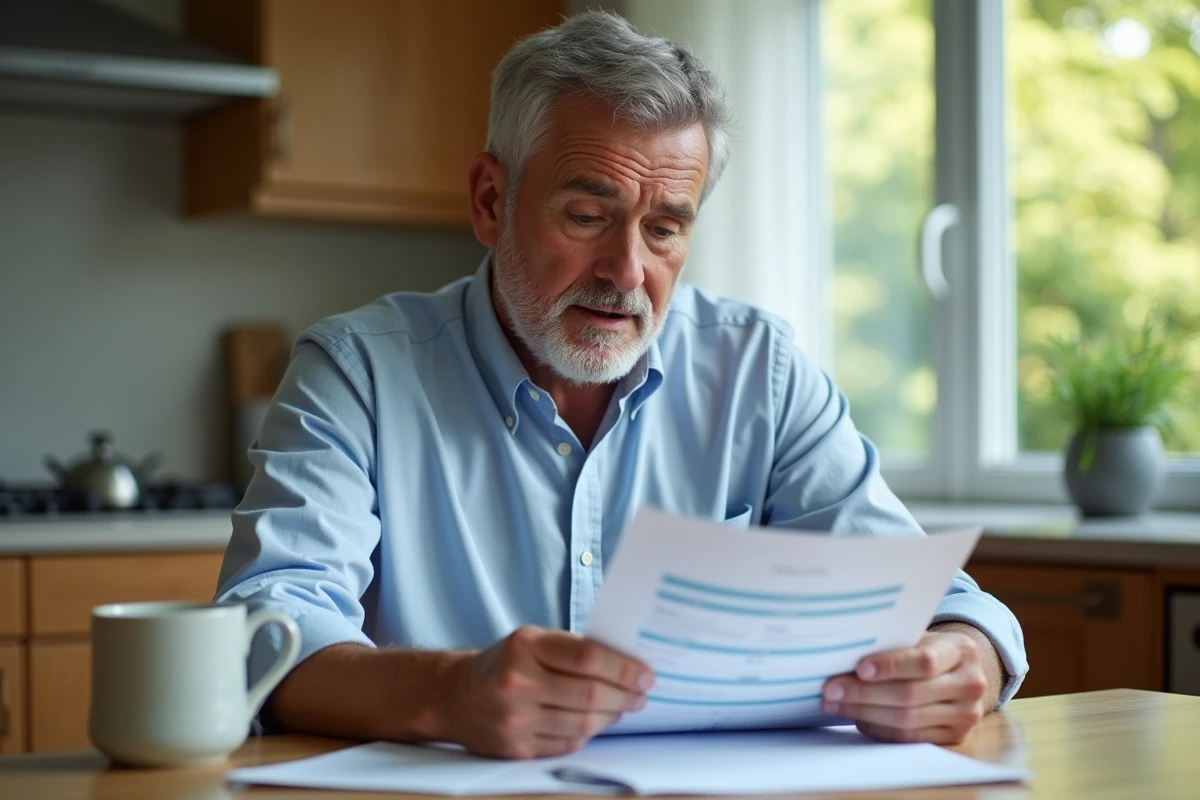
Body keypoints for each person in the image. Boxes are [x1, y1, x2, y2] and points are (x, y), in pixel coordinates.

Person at [215, 11, 1027, 760]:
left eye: (664, 228)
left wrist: (965, 658)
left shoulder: (760, 371)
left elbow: (940, 600)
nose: (627, 271)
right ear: (491, 201)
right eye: (587, 217)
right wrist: (449, 694)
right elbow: (267, 626)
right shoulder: (356, 371)